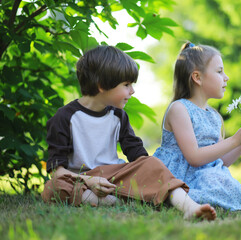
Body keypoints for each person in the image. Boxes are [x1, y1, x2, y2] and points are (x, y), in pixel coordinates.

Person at [41, 45, 216, 221]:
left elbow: (138, 157)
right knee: (54, 188)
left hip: (114, 176)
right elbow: (57, 171)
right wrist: (89, 181)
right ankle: (120, 200)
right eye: (126, 85)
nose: (132, 91)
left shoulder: (118, 115)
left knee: (151, 165)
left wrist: (150, 170)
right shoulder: (64, 118)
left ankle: (190, 207)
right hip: (81, 179)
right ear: (101, 85)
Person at [153, 42, 241, 212]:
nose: (226, 77)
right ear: (197, 77)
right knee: (214, 179)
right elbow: (194, 157)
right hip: (179, 178)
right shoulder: (179, 109)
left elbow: (220, 161)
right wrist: (235, 139)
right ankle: (196, 202)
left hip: (205, 176)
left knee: (218, 177)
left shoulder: (214, 115)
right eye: (219, 71)